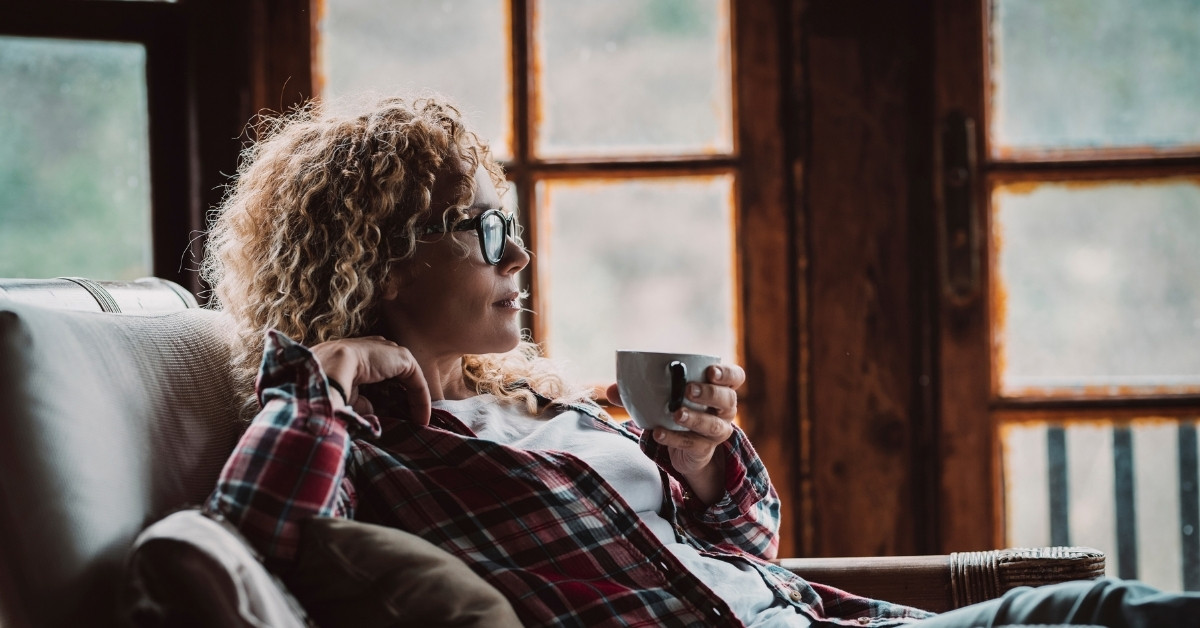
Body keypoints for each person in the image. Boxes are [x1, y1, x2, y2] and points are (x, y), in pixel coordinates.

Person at [202, 94, 1199, 628]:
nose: (518, 252)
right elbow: (254, 538)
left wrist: (701, 460)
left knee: (1110, 607)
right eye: (483, 226)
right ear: (374, 255)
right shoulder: (369, 444)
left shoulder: (532, 405)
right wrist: (319, 381)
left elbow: (746, 548)